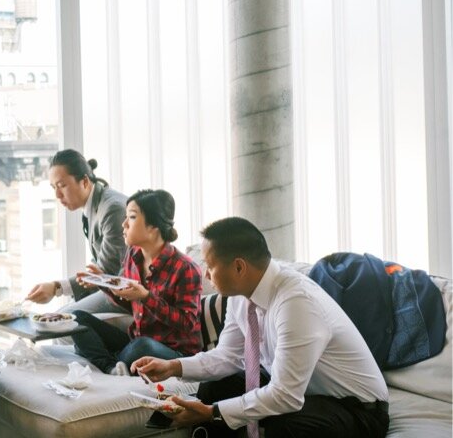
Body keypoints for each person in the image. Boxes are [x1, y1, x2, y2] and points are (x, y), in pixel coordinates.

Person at [131, 217, 390, 438]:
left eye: (209, 266)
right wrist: (173, 367)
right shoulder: (239, 297)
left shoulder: (296, 302)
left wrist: (214, 414)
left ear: (239, 266)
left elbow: (286, 396)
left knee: (282, 423)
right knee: (215, 388)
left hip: (358, 410)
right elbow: (228, 356)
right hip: (305, 391)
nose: (206, 276)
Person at [71, 189, 202, 375]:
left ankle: (106, 358)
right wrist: (103, 282)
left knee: (142, 347)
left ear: (153, 226)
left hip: (172, 352)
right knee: (76, 318)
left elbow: (187, 322)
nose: (123, 224)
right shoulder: (133, 255)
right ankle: (111, 367)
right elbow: (126, 303)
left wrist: (146, 297)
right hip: (137, 339)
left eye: (131, 217)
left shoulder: (185, 268)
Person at [25, 149, 127, 315]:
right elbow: (98, 267)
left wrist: (56, 288)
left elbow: (107, 270)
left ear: (85, 182)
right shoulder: (93, 205)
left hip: (123, 295)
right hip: (107, 287)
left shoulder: (112, 209)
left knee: (63, 322)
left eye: (62, 186)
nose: (57, 195)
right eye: (54, 188)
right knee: (59, 317)